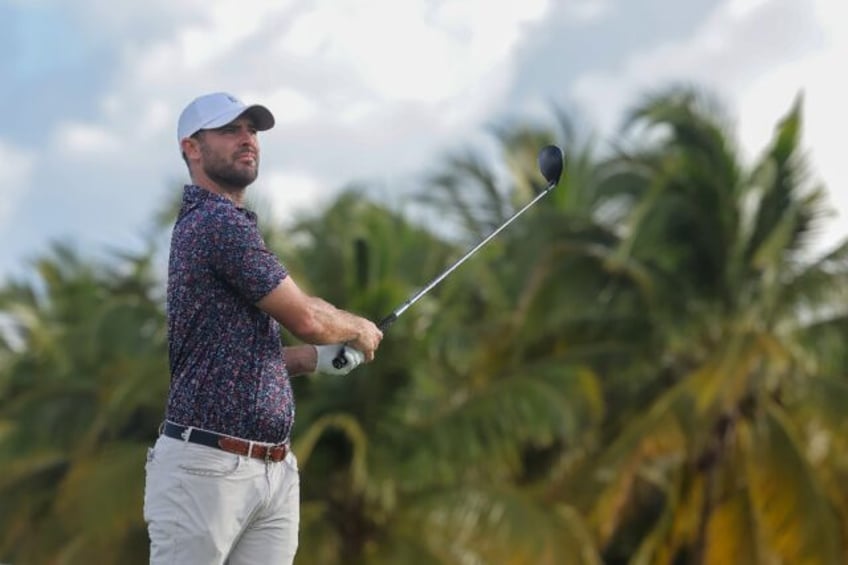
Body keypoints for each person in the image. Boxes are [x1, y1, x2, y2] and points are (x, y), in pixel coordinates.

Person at [143, 92, 383, 565]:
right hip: (205, 469)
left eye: (251, 130)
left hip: (271, 472)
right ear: (192, 147)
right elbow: (307, 319)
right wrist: (357, 328)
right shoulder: (215, 224)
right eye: (230, 131)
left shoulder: (230, 226)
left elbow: (235, 359)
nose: (247, 140)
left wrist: (314, 360)